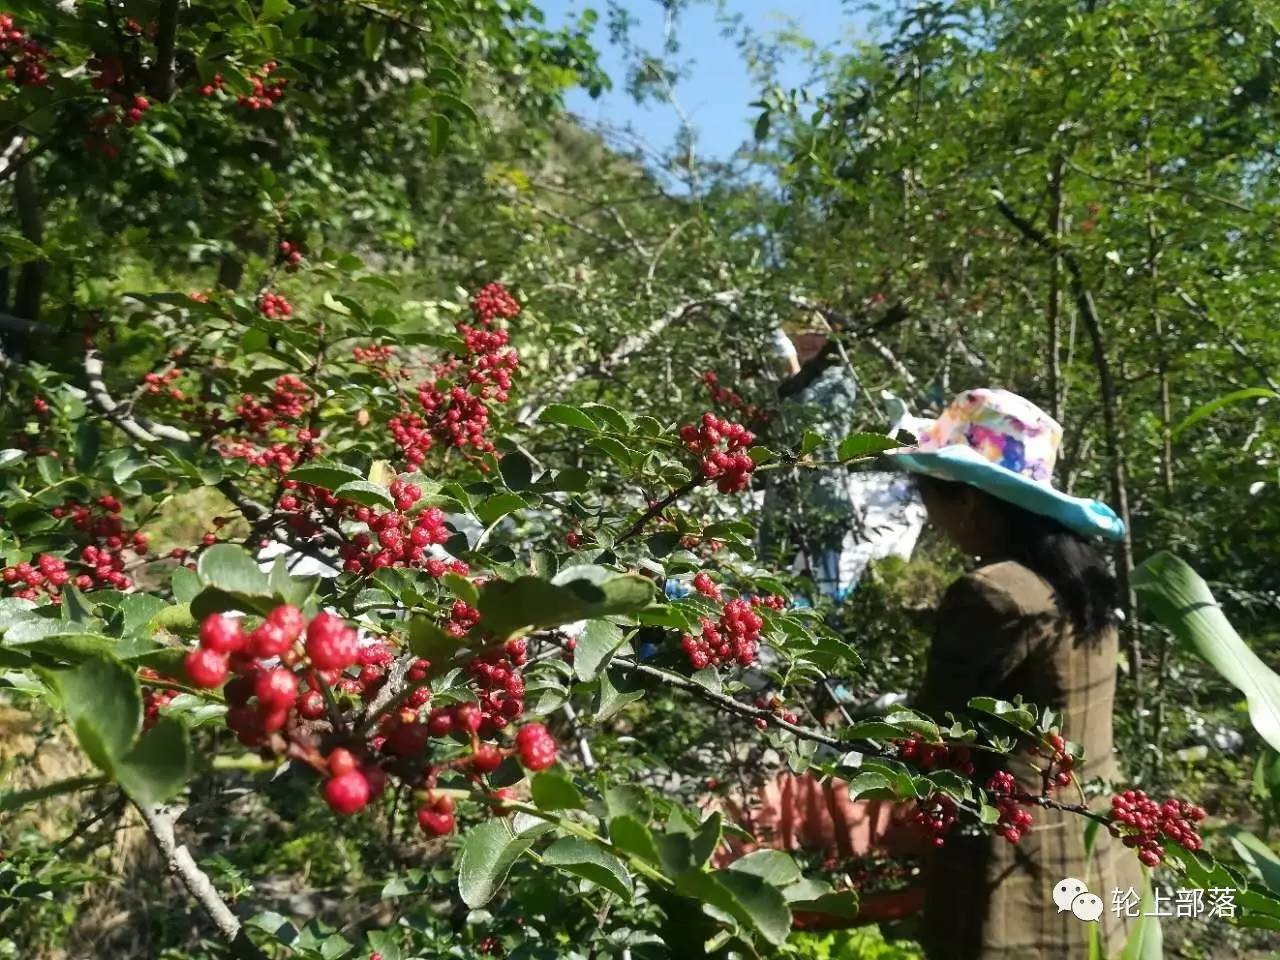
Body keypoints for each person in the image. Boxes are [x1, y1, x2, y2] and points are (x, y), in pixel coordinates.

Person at [882, 387, 1139, 959]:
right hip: (1095, 856)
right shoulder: (1085, 584)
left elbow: (932, 733)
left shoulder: (993, 594)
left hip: (1013, 879)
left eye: (932, 498)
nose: (932, 519)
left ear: (968, 502)